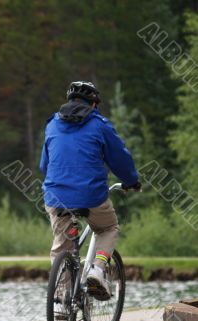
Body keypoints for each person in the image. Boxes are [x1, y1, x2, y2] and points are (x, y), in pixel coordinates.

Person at [40, 81, 141, 301]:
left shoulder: (52, 124)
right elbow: (120, 159)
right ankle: (97, 268)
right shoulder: (99, 124)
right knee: (108, 228)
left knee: (61, 245)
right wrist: (131, 181)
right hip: (91, 196)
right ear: (94, 104)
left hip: (56, 196)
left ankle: (61, 297)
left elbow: (44, 166)